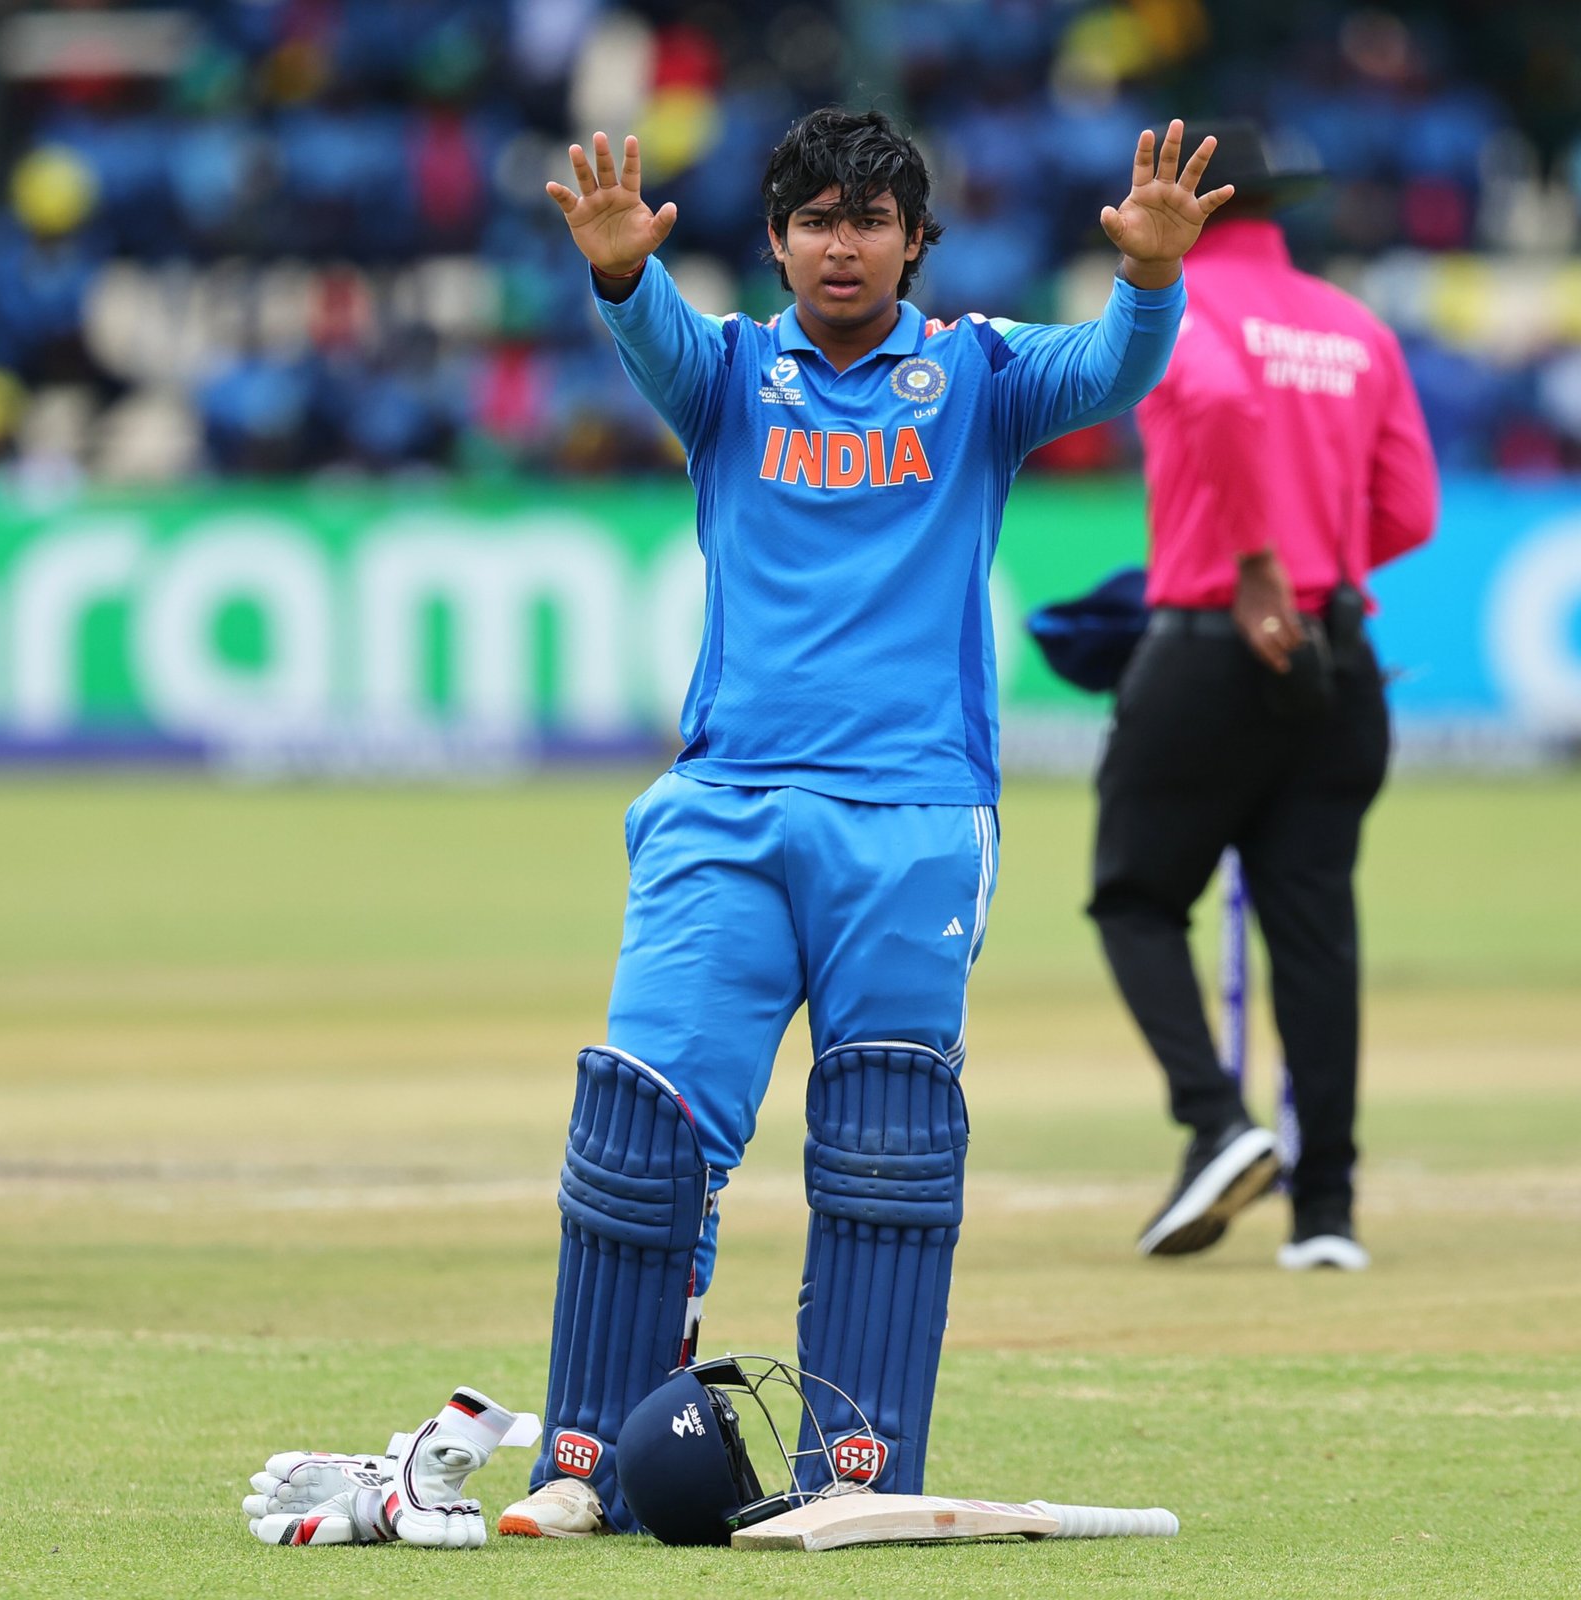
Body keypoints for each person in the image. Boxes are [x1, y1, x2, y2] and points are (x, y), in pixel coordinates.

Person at [499, 107, 1230, 1539]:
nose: (844, 244)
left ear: (914, 241)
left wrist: (1150, 276)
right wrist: (618, 271)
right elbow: (650, 331)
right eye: (818, 220)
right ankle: (589, 1462)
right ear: (778, 242)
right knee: (644, 1132)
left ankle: (859, 1470)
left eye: (871, 220)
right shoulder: (727, 373)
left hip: (912, 816)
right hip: (724, 809)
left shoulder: (977, 376)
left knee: (886, 1140)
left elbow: (1114, 367)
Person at [1086, 122, 1438, 1270]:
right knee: (1313, 930)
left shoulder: (1175, 303)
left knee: (1135, 898)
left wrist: (1249, 563)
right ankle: (1325, 1211)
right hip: (1336, 658)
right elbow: (1412, 510)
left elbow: (1222, 405)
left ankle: (1217, 1122)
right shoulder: (1355, 328)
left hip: (1212, 645)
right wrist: (1316, 574)